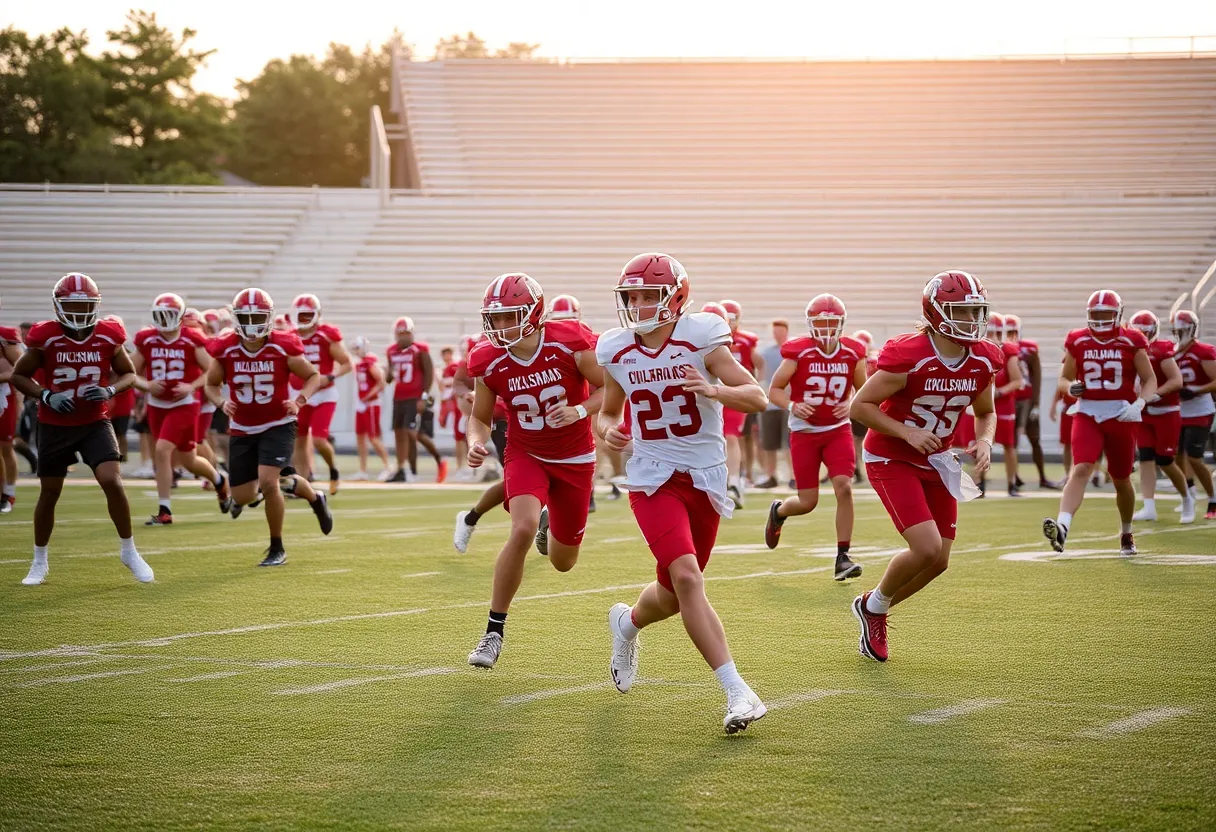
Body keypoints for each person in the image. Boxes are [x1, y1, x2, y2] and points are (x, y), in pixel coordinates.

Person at [598, 253, 770, 734]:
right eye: (631, 296)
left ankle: (627, 624)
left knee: (673, 595)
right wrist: (609, 430)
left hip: (706, 477)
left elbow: (758, 397)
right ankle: (738, 692)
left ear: (674, 297)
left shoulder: (701, 338)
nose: (637, 305)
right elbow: (609, 412)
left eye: (648, 295)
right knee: (690, 579)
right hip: (652, 477)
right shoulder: (615, 348)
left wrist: (714, 391)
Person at [850, 271, 1004, 662]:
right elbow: (861, 407)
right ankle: (876, 605)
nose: (971, 321)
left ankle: (873, 606)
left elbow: (986, 412)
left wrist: (985, 440)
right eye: (961, 312)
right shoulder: (909, 356)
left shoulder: (983, 359)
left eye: (975, 311)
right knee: (926, 547)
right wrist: (907, 433)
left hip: (937, 460)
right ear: (936, 313)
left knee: (939, 562)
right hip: (892, 455)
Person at [463, 274, 604, 669]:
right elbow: (480, 417)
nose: (500, 327)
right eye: (496, 319)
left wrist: (579, 410)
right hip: (527, 452)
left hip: (575, 458)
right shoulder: (488, 358)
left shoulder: (569, 342)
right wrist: (475, 442)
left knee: (563, 562)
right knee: (521, 527)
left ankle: (551, 529)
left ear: (533, 314)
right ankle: (493, 631)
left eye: (509, 317)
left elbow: (611, 390)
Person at [8, 273, 154, 585]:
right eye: (72, 306)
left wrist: (110, 391)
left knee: (112, 481)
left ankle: (129, 550)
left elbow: (128, 373)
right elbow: (19, 376)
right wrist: (45, 394)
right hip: (54, 424)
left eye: (86, 305)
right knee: (49, 493)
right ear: (57, 306)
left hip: (94, 422)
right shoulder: (45, 336)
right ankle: (39, 560)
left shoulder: (107, 335)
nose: (79, 313)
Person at [203, 288, 333, 566]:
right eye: (246, 317)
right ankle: (315, 496)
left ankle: (277, 547)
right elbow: (211, 384)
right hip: (242, 427)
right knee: (243, 495)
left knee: (269, 482)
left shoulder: (282, 346)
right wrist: (220, 402)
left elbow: (313, 376)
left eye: (257, 316)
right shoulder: (225, 349)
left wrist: (299, 400)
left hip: (278, 423)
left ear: (269, 317)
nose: (252, 323)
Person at [1043, 290, 1156, 556]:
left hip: (1121, 414)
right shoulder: (1078, 339)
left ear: (1118, 315)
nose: (1102, 319)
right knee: (1080, 468)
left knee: (1121, 479)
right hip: (1088, 413)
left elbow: (1149, 379)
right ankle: (1062, 527)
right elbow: (1063, 380)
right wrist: (1071, 388)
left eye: (1107, 314)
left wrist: (1139, 404)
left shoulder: (1132, 340)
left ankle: (1126, 531)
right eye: (1097, 315)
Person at [764, 295, 866, 580]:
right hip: (804, 432)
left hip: (837, 429)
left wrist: (853, 403)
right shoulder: (799, 352)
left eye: (832, 322)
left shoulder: (853, 352)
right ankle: (780, 511)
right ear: (810, 324)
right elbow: (774, 391)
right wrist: (793, 405)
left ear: (842, 324)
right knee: (808, 502)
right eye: (821, 322)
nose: (826, 328)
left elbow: (866, 391)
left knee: (844, 487)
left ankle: (843, 557)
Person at [132, 293, 232, 525]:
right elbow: (130, 372)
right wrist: (146, 385)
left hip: (185, 404)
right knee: (188, 459)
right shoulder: (146, 339)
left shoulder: (191, 339)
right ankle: (219, 480)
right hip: (157, 405)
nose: (166, 320)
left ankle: (164, 511)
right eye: (161, 315)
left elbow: (212, 372)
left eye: (170, 315)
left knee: (162, 449)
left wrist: (191, 386)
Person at [1124, 311, 1190, 522]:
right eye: (1138, 331)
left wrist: (1155, 394)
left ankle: (1187, 498)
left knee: (1165, 459)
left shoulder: (1161, 350)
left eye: (1145, 332)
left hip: (1165, 412)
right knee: (1145, 457)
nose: (1141, 335)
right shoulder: (1127, 348)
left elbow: (1176, 380)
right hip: (1143, 413)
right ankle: (1149, 505)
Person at [287, 294, 352, 495]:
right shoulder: (290, 337)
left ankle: (333, 469)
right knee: (299, 440)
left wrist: (330, 377)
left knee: (318, 439)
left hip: (324, 395)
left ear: (317, 315)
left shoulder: (325, 336)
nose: (304, 320)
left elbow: (347, 363)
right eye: (301, 315)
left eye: (308, 315)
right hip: (300, 395)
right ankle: (301, 484)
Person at [385, 317, 447, 483]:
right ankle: (402, 468)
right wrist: (388, 373)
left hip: (415, 396)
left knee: (412, 433)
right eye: (401, 333)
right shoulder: (391, 351)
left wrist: (424, 396)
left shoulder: (420, 350)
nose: (404, 336)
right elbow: (389, 379)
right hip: (399, 397)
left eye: (406, 333)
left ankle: (438, 460)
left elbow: (429, 372)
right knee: (399, 432)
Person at [1169, 310, 1216, 519]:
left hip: (1200, 410)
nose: (1180, 334)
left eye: (1183, 330)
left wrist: (1195, 390)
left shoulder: (1203, 351)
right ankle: (1189, 493)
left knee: (1195, 458)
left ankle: (1213, 499)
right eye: (1177, 330)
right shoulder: (1172, 352)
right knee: (1175, 456)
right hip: (1179, 411)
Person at [1004, 314, 1060, 489]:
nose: (1011, 335)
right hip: (1010, 401)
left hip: (1027, 400)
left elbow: (1037, 377)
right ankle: (1015, 477)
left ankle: (1042, 477)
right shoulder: (1000, 349)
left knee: (1034, 439)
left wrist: (1035, 403)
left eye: (1014, 331)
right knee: (1011, 442)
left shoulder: (1029, 349)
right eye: (1008, 332)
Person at [719, 300, 763, 506]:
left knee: (731, 435)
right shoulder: (703, 339)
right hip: (711, 394)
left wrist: (756, 386)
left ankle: (734, 481)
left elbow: (759, 364)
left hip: (735, 393)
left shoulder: (745, 341)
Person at [982, 312, 1025, 497]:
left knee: (1008, 445)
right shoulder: (976, 349)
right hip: (984, 404)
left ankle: (1012, 483)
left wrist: (1000, 391)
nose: (992, 337)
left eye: (995, 333)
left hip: (1003, 404)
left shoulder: (1008, 351)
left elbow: (1017, 381)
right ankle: (979, 484)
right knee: (981, 442)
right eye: (988, 332)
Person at [349, 337, 392, 481]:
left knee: (373, 438)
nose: (355, 351)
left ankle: (387, 466)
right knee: (360, 438)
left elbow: (381, 382)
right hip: (361, 405)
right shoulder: (359, 364)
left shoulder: (369, 362)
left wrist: (368, 396)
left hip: (371, 404)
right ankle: (362, 470)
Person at [756, 318, 790, 490]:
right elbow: (760, 373)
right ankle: (771, 475)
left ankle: (793, 476)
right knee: (769, 443)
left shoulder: (792, 352)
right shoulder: (766, 353)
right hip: (769, 403)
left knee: (789, 443)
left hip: (787, 403)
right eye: (775, 332)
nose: (778, 335)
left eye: (781, 331)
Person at [0, 309, 25, 513]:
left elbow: (21, 370)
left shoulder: (5, 335)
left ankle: (8, 494)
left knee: (6, 446)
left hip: (4, 398)